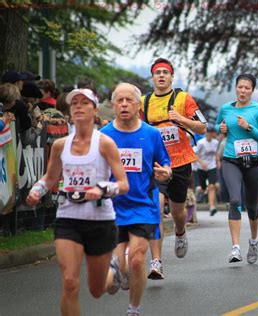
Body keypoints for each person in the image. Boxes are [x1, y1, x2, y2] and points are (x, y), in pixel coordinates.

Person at [25, 88, 129, 315]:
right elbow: (50, 177)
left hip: (100, 220)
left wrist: (101, 189)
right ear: (70, 111)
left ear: (94, 109)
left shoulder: (105, 143)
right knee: (70, 281)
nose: (79, 106)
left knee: (97, 289)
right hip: (68, 218)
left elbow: (123, 184)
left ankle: (113, 268)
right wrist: (37, 190)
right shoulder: (61, 145)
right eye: (75, 104)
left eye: (84, 103)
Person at [101, 83, 172, 315]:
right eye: (119, 101)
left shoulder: (151, 134)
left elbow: (165, 163)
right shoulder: (103, 136)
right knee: (118, 272)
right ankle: (119, 273)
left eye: (128, 100)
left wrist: (167, 172)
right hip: (113, 208)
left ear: (138, 105)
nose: (123, 105)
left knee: (137, 259)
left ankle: (134, 309)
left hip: (144, 206)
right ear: (113, 106)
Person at [141, 58, 206, 279]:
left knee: (178, 211)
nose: (161, 75)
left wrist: (182, 120)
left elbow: (202, 127)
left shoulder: (183, 99)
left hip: (179, 161)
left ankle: (180, 232)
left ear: (171, 77)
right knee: (155, 208)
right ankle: (156, 261)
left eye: (165, 72)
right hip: (155, 163)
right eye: (157, 72)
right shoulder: (144, 102)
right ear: (152, 77)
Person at [215, 73, 258, 263]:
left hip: (254, 162)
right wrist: (220, 129)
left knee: (253, 207)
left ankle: (253, 241)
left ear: (252, 91)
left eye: (247, 88)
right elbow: (218, 125)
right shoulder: (226, 108)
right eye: (240, 87)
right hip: (231, 160)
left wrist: (249, 128)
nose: (243, 91)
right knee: (234, 200)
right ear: (236, 88)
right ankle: (235, 248)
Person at [195, 125, 219, 216]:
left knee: (212, 186)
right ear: (206, 133)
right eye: (208, 132)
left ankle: (212, 206)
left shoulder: (216, 142)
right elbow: (194, 154)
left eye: (211, 132)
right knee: (203, 187)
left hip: (212, 166)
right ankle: (199, 190)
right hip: (201, 167)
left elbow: (216, 153)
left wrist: (218, 161)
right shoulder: (201, 143)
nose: (209, 134)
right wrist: (201, 163)